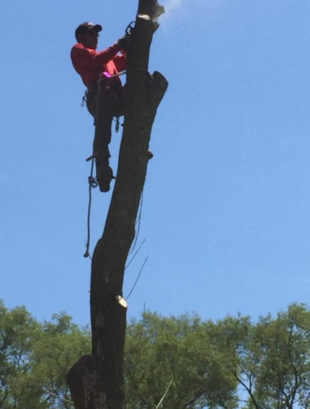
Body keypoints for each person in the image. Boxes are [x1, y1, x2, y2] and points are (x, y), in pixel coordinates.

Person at [71, 22, 128, 192]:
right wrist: (119, 44)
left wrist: (129, 46)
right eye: (91, 34)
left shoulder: (109, 59)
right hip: (100, 97)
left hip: (117, 98)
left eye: (96, 35)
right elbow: (97, 60)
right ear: (81, 37)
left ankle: (140, 143)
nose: (95, 37)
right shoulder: (78, 50)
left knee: (143, 84)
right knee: (103, 134)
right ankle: (103, 168)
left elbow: (127, 61)